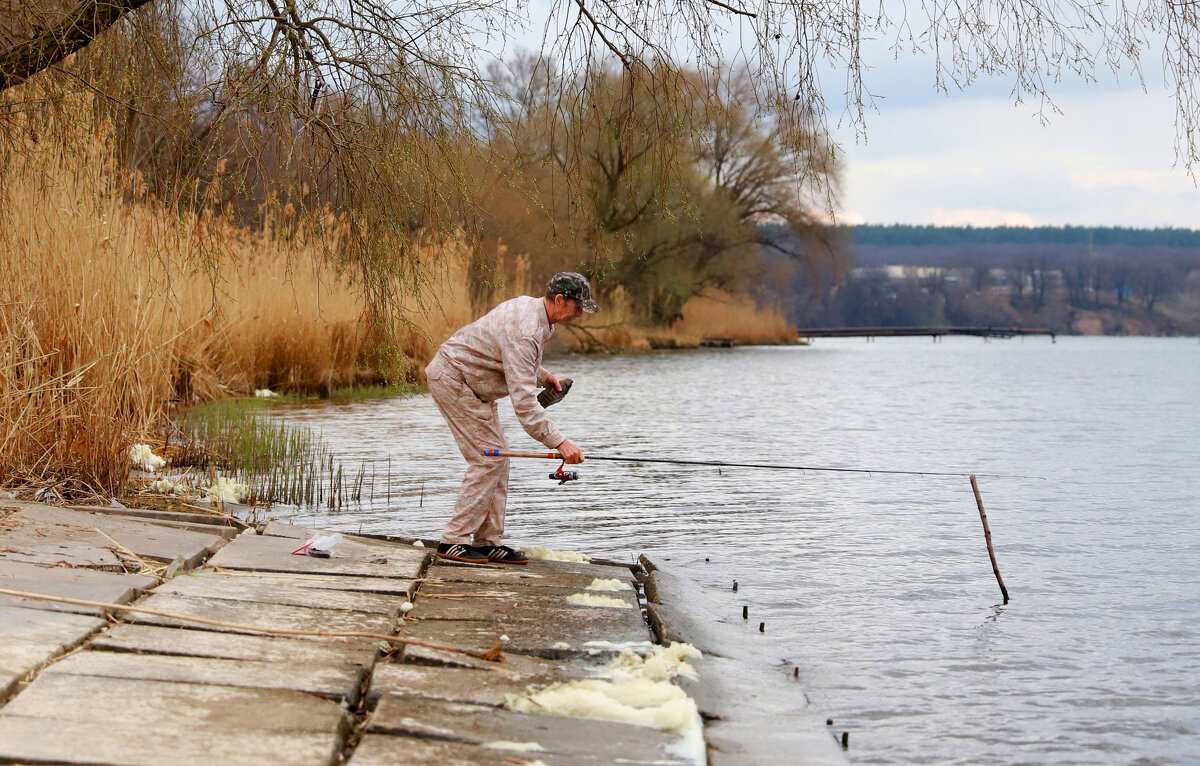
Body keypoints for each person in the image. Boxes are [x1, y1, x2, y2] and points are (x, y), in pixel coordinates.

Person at [424, 272, 599, 564]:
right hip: (454, 380)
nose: (580, 314)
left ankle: (487, 542)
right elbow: (525, 407)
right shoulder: (526, 330)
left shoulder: (535, 314)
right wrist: (561, 443)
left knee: (497, 457)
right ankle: (452, 541)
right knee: (488, 459)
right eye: (577, 307)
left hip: (473, 385)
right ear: (559, 300)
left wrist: (544, 377)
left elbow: (511, 359)